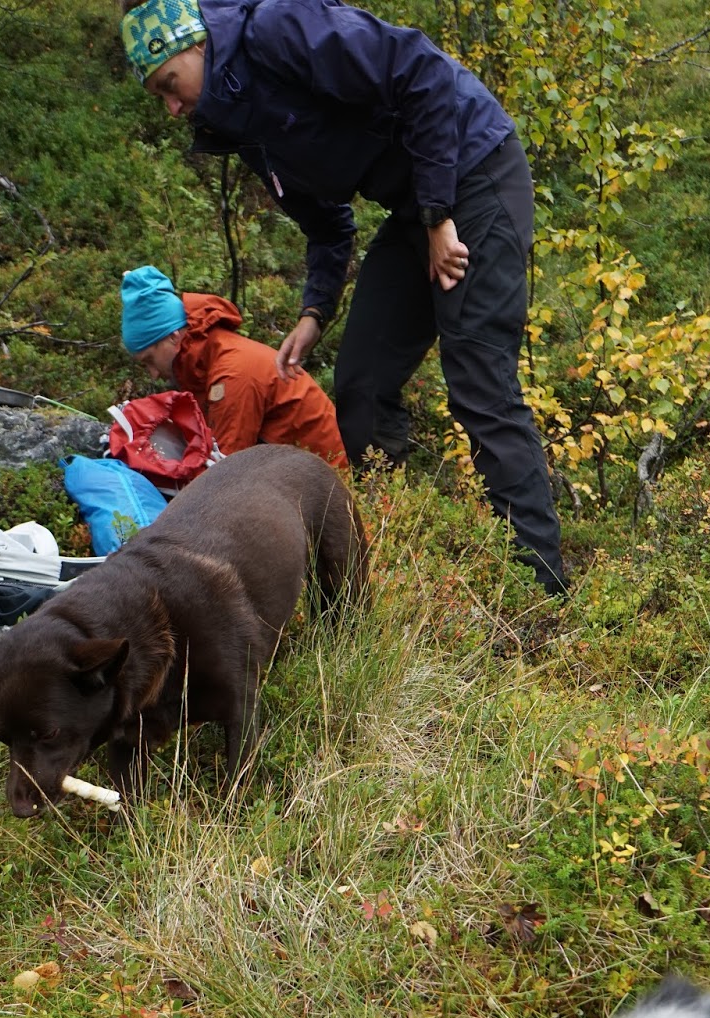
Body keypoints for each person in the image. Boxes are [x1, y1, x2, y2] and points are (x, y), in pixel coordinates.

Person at [119, 0, 567, 596]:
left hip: (476, 172)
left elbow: (422, 70)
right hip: (416, 209)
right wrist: (315, 311)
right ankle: (394, 552)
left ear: (195, 44)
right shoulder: (239, 122)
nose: (172, 108)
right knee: (361, 383)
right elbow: (327, 223)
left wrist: (438, 214)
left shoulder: (276, 28)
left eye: (168, 85)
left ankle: (542, 593)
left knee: (479, 383)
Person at [119, 264, 349, 469]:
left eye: (149, 360)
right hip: (303, 479)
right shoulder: (207, 365)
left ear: (173, 336)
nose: (153, 374)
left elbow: (226, 473)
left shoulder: (232, 374)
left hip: (328, 489)